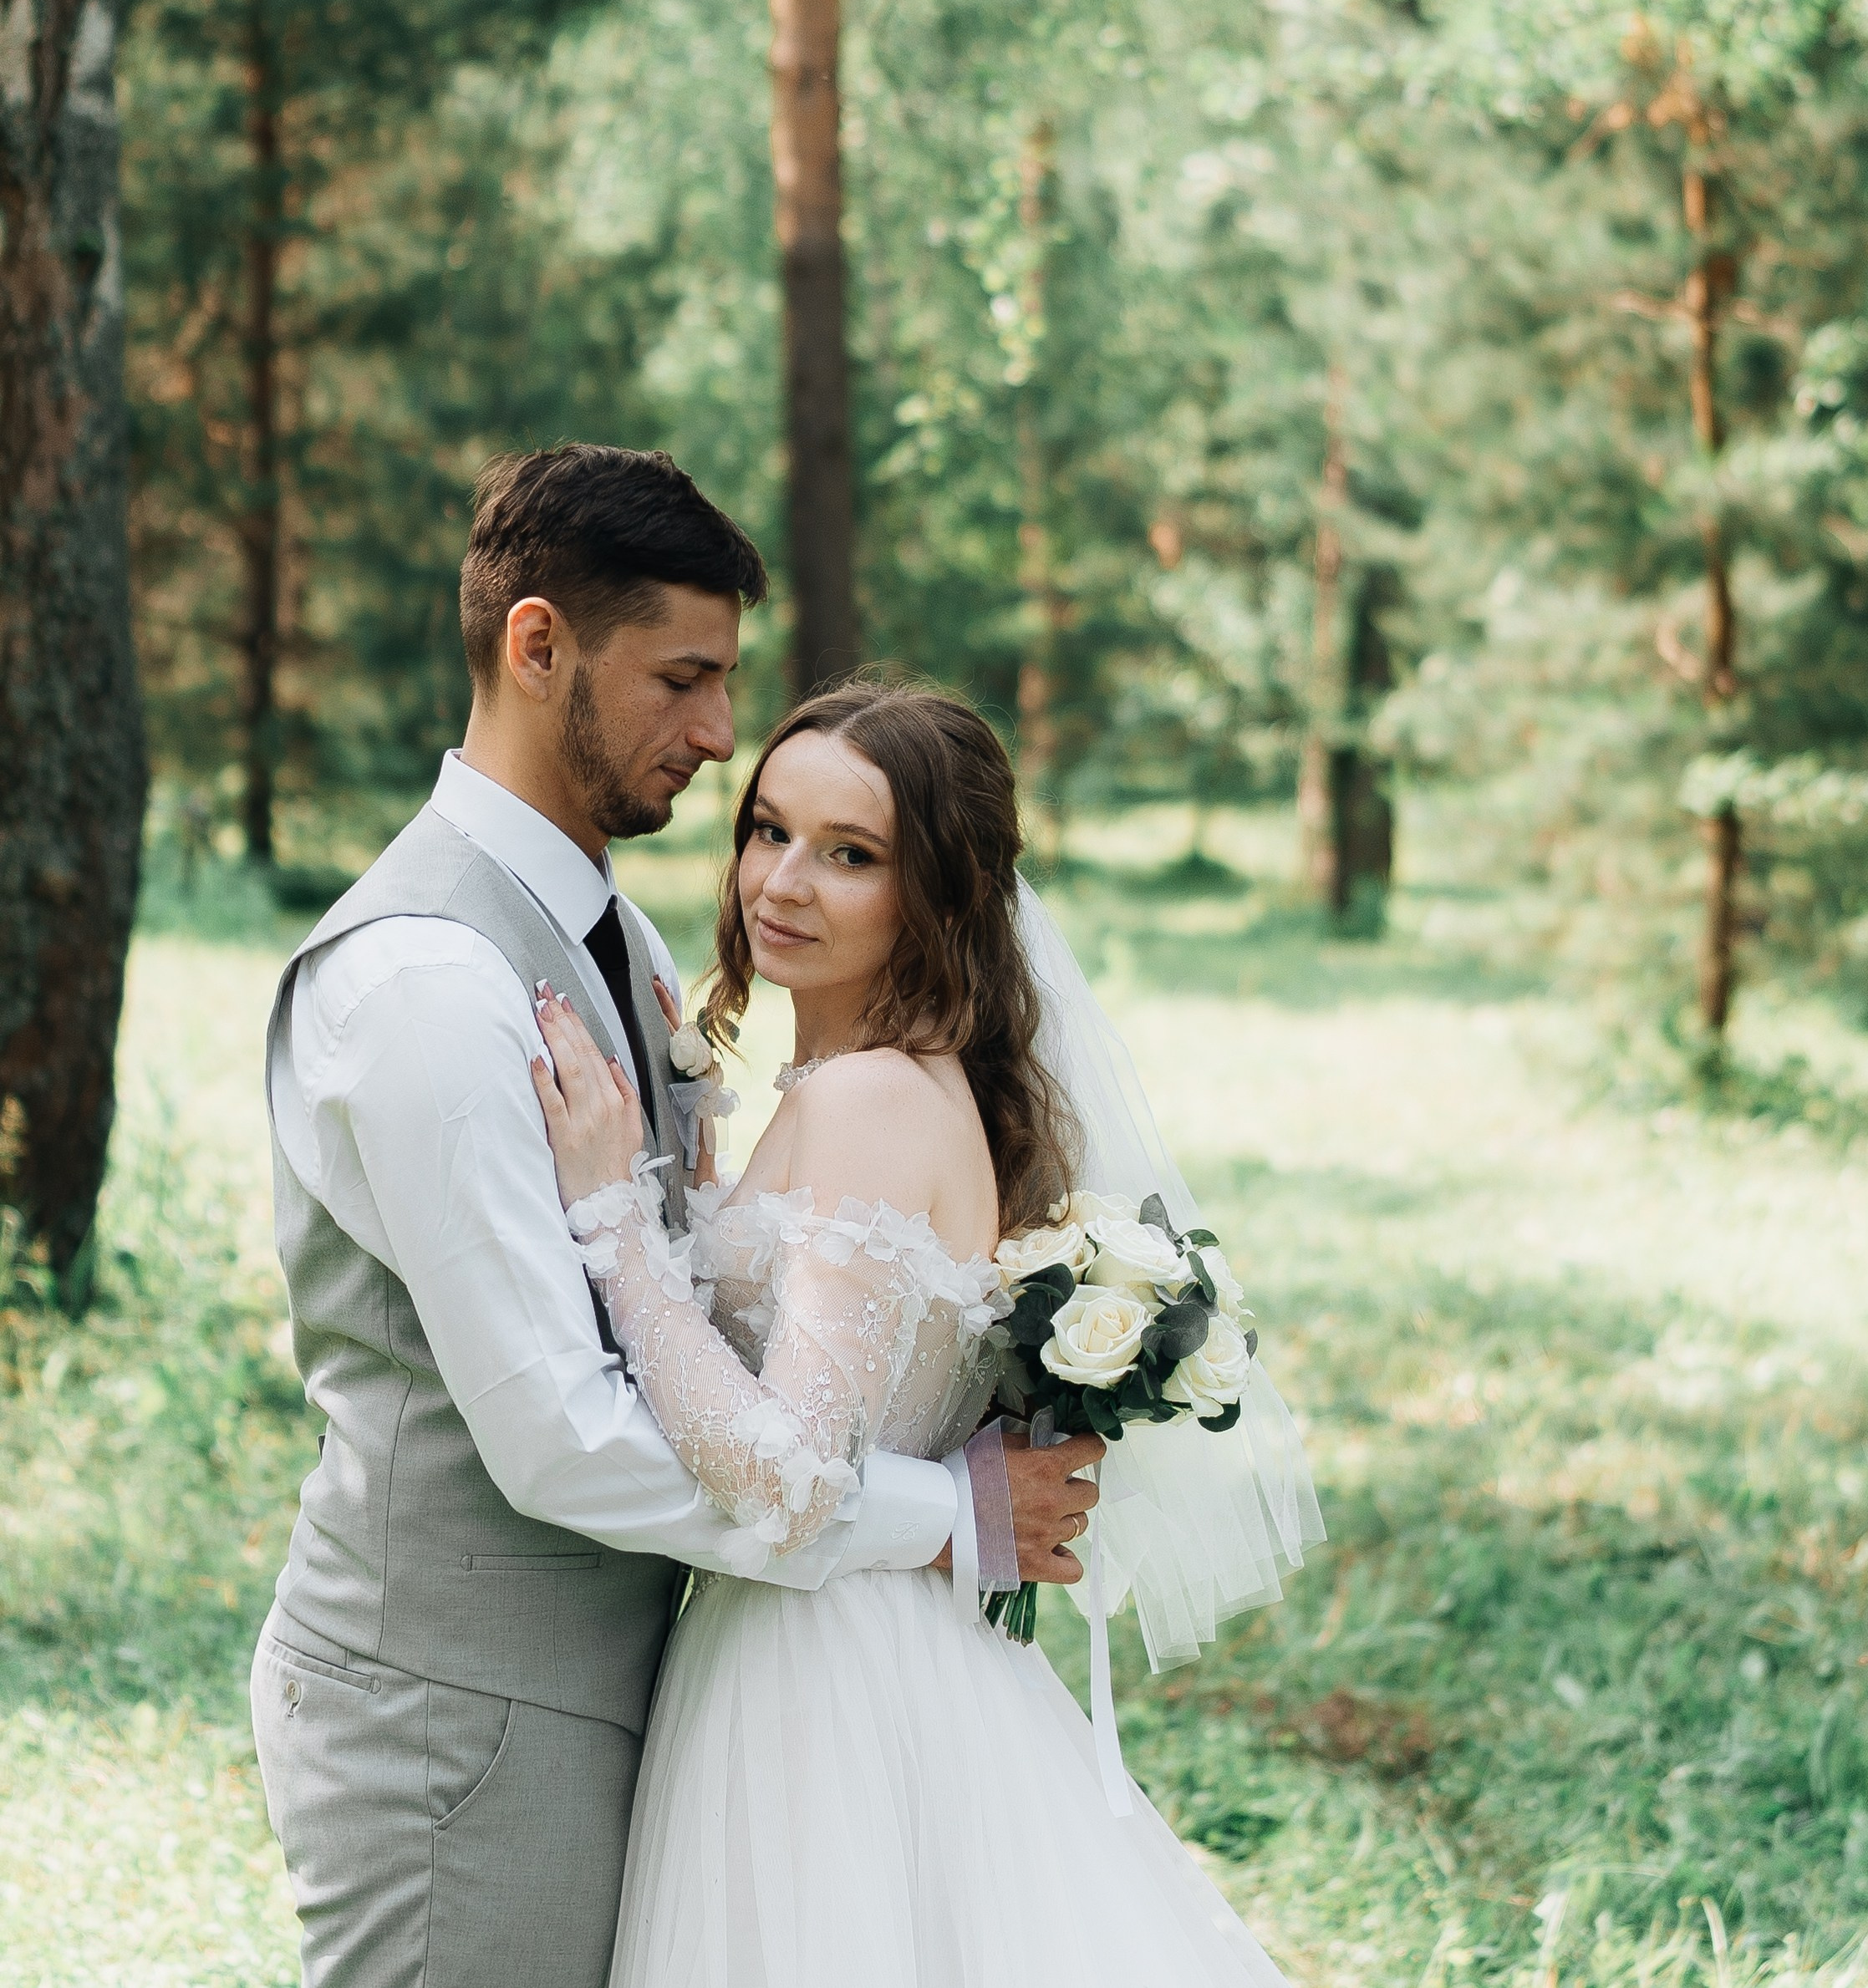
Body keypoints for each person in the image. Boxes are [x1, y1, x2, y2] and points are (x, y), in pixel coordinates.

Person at [250, 445, 1102, 1988]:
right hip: (460, 1711)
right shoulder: (429, 985)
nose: (718, 737)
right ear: (537, 645)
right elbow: (561, 1432)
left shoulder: (611, 933)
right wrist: (941, 1517)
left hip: (659, 1685)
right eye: (683, 680)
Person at [529, 673, 1322, 1988]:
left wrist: (613, 1219)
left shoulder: (874, 1102)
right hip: (847, 1637)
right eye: (767, 830)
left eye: (851, 855)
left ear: (938, 896)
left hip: (823, 1669)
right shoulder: (874, 1085)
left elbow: (786, 1471)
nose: (781, 882)